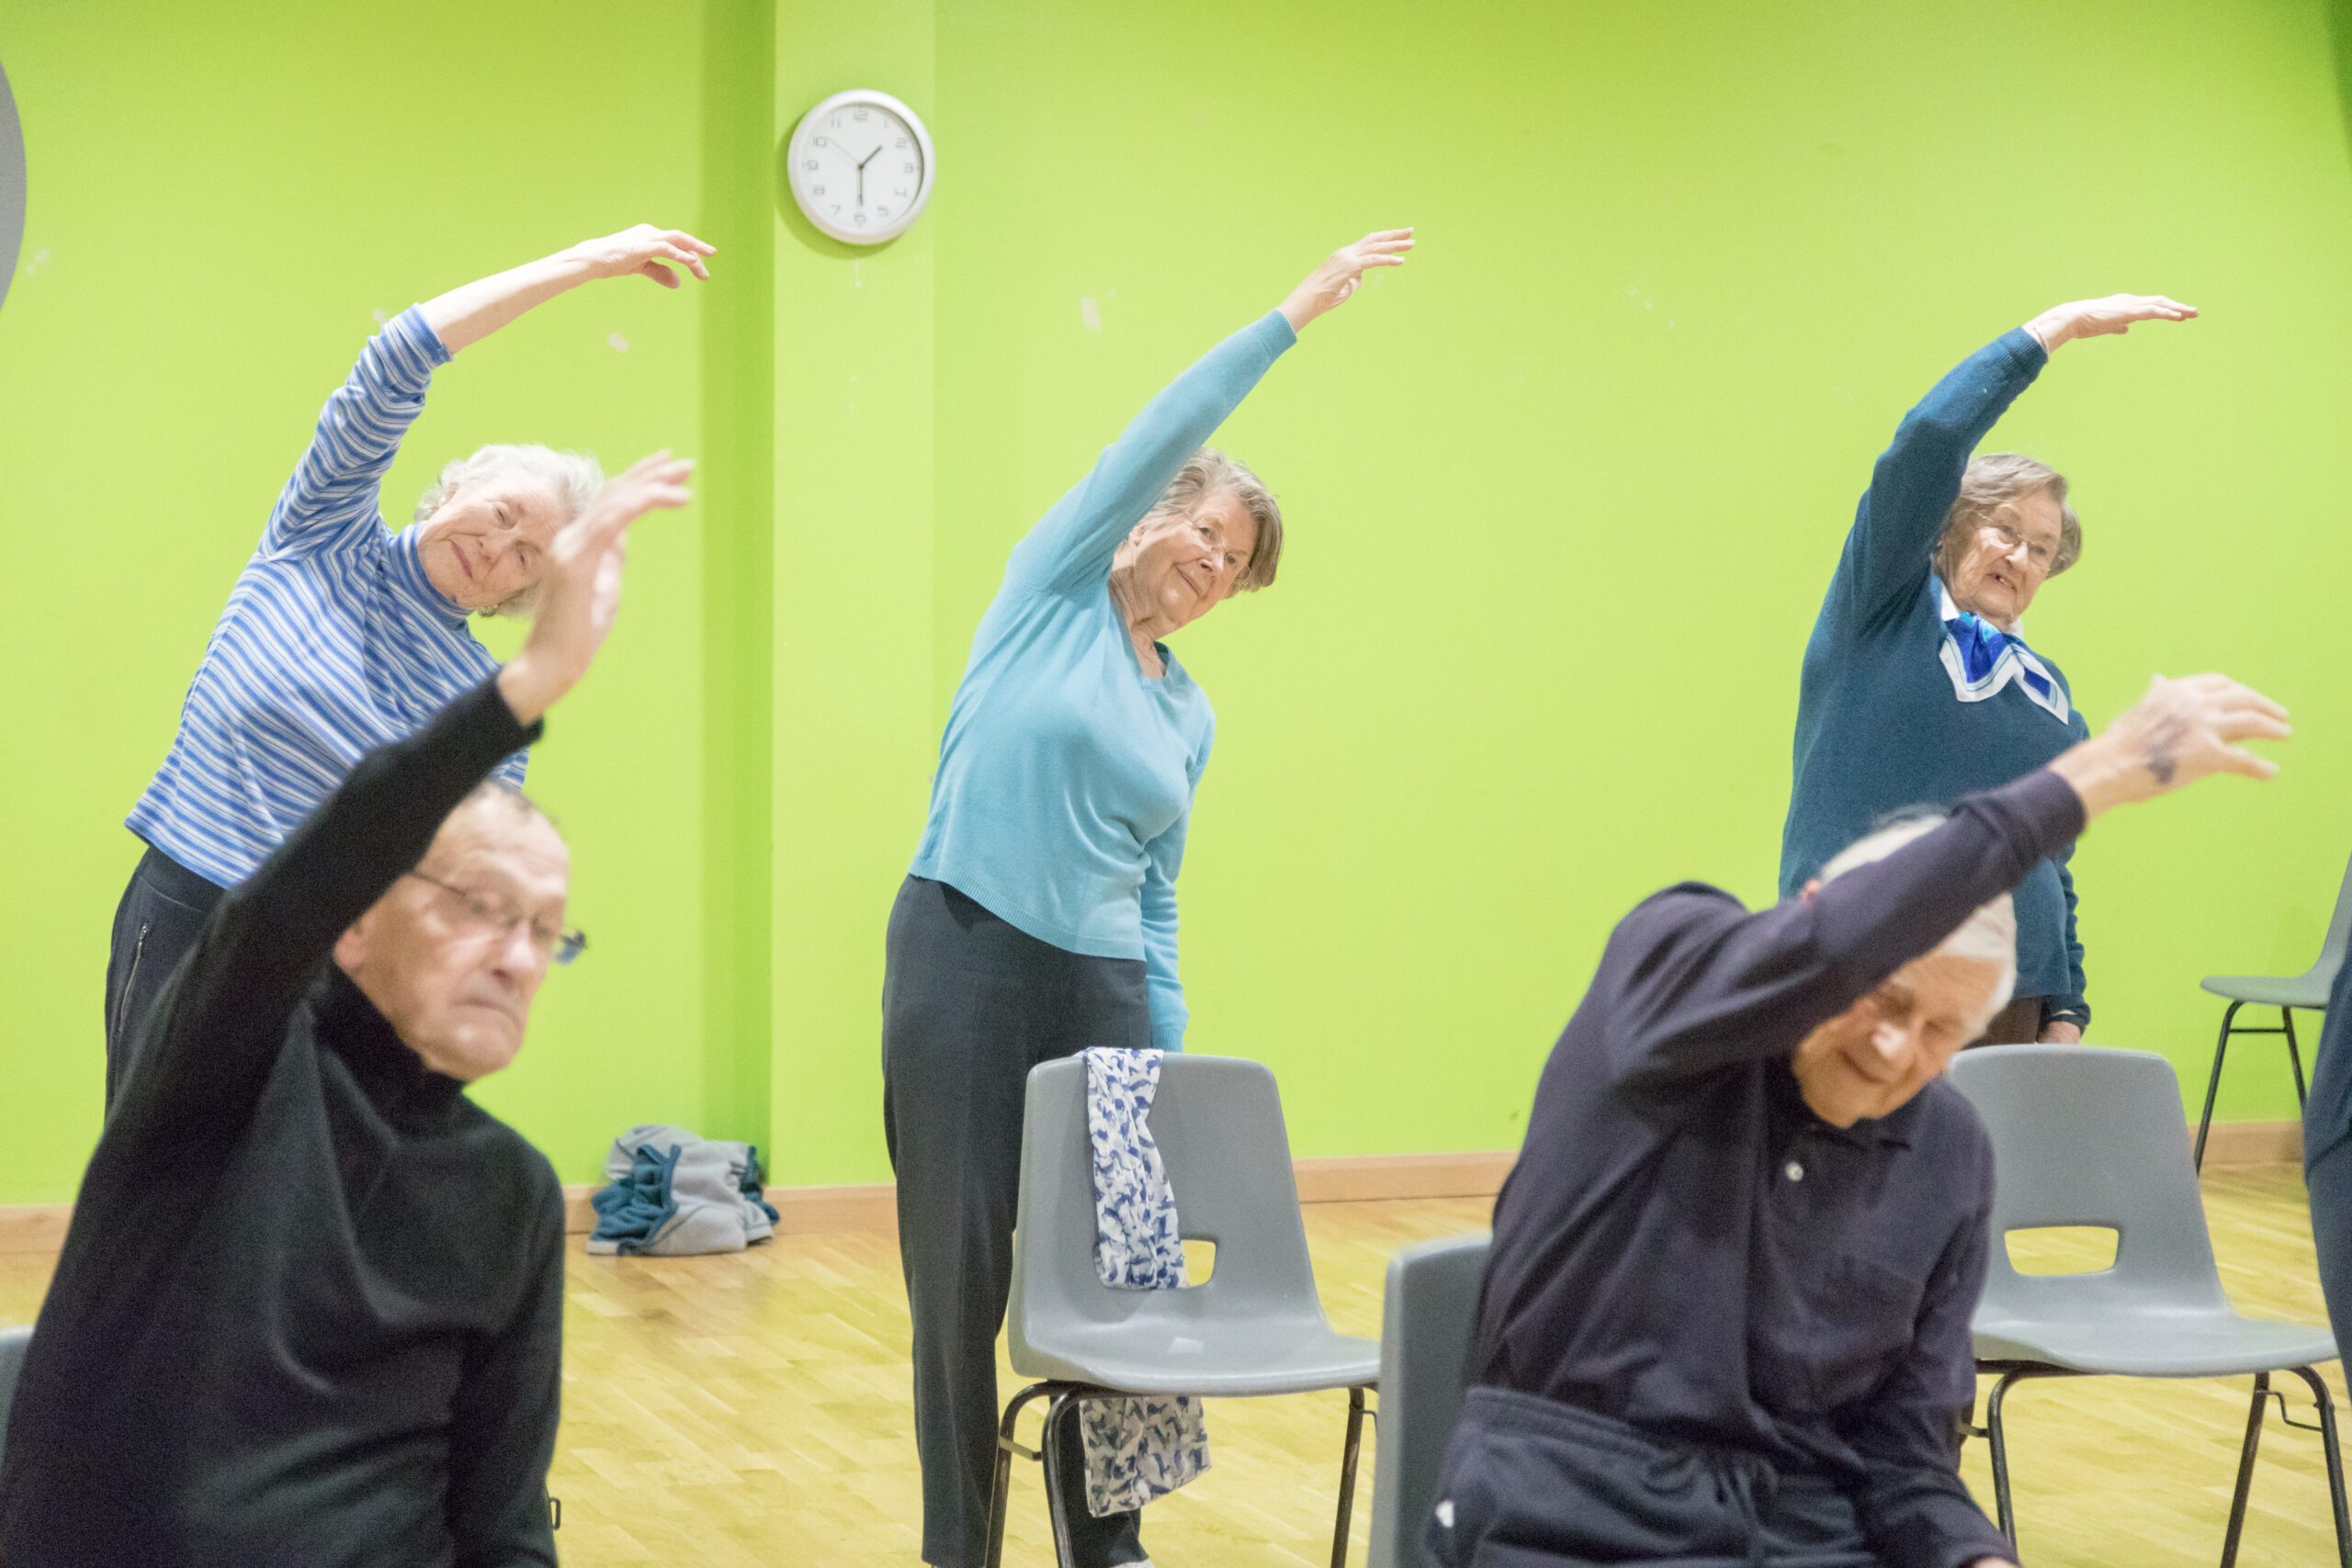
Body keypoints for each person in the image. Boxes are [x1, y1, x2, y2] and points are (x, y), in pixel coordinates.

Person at [0, 449, 693, 1564]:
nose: (514, 956)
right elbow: (304, 882)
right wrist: (533, 683)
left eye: (541, 930)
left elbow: (503, 1522)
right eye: (478, 905)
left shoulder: (510, 1194)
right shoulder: (219, 1078)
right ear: (355, 919)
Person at [1431, 672, 2288, 1568]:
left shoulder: (1950, 1152)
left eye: (1939, 1034)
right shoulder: (1668, 965)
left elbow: (1905, 1464)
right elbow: (1837, 944)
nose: (1893, 1052)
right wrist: (2100, 772)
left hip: (1808, 1530)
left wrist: (1974, 1557)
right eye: (1883, 999)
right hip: (1576, 1515)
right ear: (1817, 924)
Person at [880, 227, 1413, 1568]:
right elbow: (1162, 422)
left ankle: (1104, 1536)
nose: (1214, 571)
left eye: (1235, 569)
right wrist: (1290, 315)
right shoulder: (1048, 590)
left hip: (1104, 991)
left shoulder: (1190, 713)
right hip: (961, 953)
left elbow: (1160, 900)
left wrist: (1165, 1050)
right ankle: (963, 1544)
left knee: (1120, 1275)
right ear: (1150, 513)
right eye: (1209, 537)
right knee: (961, 1279)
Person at [104, 223, 715, 1105]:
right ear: (455, 484)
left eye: (527, 560)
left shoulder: (483, 705)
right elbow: (400, 352)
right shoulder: (321, 536)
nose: (498, 548)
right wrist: (592, 260)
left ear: (520, 597)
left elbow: (450, 874)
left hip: (331, 970)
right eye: (502, 513)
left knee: (290, 1219)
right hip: (189, 908)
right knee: (151, 1182)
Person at [1781, 294, 2196, 1046]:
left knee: (1990, 1170)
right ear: (1953, 526)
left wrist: (2067, 1006)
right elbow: (1928, 441)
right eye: (2004, 528)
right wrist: (2051, 332)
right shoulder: (1881, 613)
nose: (2019, 556)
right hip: (1867, 968)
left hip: (2011, 991)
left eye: (2040, 548)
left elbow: (2050, 856)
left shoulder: (2048, 692)